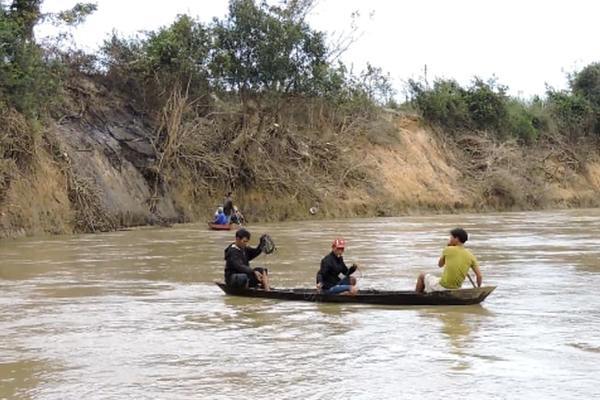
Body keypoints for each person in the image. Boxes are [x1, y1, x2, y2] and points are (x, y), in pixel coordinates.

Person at [415, 228, 483, 293]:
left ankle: (416, 297)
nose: (450, 239)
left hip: (443, 287)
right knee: (438, 279)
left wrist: (448, 247)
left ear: (456, 239)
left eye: (451, 237)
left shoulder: (448, 249)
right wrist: (478, 288)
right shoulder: (471, 255)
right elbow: (479, 276)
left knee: (422, 275)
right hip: (457, 288)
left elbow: (440, 265)